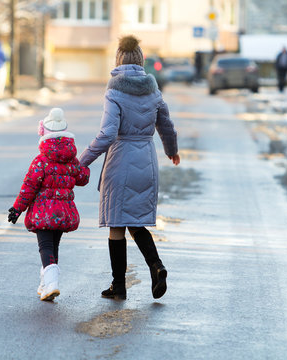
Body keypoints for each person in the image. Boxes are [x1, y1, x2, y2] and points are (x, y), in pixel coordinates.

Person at [79, 35, 180, 300]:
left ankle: (119, 286)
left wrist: (82, 160)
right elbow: (166, 125)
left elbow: (108, 133)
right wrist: (172, 150)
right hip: (146, 158)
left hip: (121, 160)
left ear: (118, 61)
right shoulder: (153, 88)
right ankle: (156, 265)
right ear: (141, 61)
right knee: (136, 221)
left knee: (116, 225)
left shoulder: (114, 89)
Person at [8, 108, 90, 301]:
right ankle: (46, 285)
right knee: (54, 247)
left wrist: (17, 208)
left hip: (43, 212)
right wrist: (84, 163)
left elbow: (29, 186)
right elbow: (83, 178)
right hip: (64, 212)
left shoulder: (41, 161)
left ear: (44, 135)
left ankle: (52, 284)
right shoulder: (72, 161)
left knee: (45, 247)